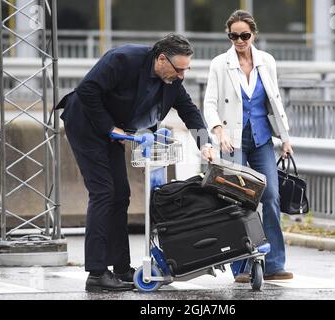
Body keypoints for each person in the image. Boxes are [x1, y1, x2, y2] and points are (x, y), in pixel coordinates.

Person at [56, 34, 215, 292]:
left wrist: (204, 143)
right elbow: (88, 90)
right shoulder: (124, 59)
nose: (182, 75)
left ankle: (121, 268)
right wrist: (110, 127)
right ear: (162, 59)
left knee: (121, 195)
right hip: (86, 124)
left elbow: (189, 111)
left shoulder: (171, 81)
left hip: (113, 131)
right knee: (103, 192)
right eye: (179, 69)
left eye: (187, 69)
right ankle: (96, 274)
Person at [203, 10, 294, 282]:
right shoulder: (220, 64)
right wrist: (218, 132)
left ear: (253, 34)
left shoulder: (267, 61)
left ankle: (274, 264)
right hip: (233, 142)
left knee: (271, 197)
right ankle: (241, 267)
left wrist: (285, 138)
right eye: (233, 36)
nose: (239, 40)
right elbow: (209, 103)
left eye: (244, 35)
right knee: (239, 201)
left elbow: (274, 102)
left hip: (262, 139)